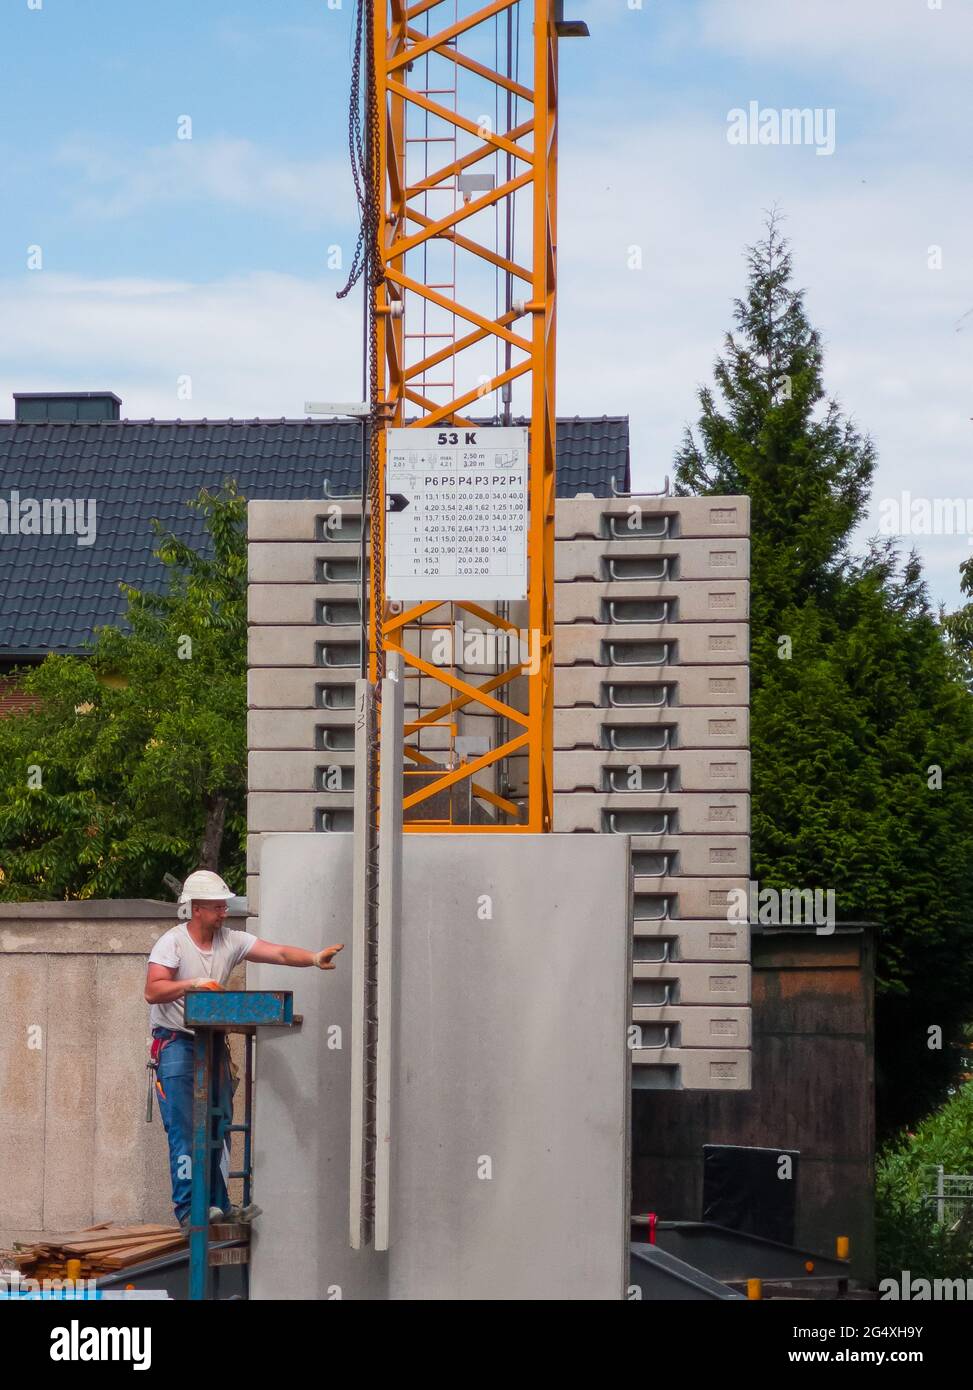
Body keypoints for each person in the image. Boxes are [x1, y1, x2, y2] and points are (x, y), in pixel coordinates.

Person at [144, 868, 343, 1229]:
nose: (224, 911)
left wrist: (313, 958)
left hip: (212, 1040)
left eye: (224, 905)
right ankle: (190, 1211)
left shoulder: (230, 940)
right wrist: (194, 983)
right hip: (176, 1044)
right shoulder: (172, 943)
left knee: (218, 1122)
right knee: (186, 1129)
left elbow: (278, 953)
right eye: (218, 906)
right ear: (197, 908)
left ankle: (219, 1204)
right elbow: (153, 990)